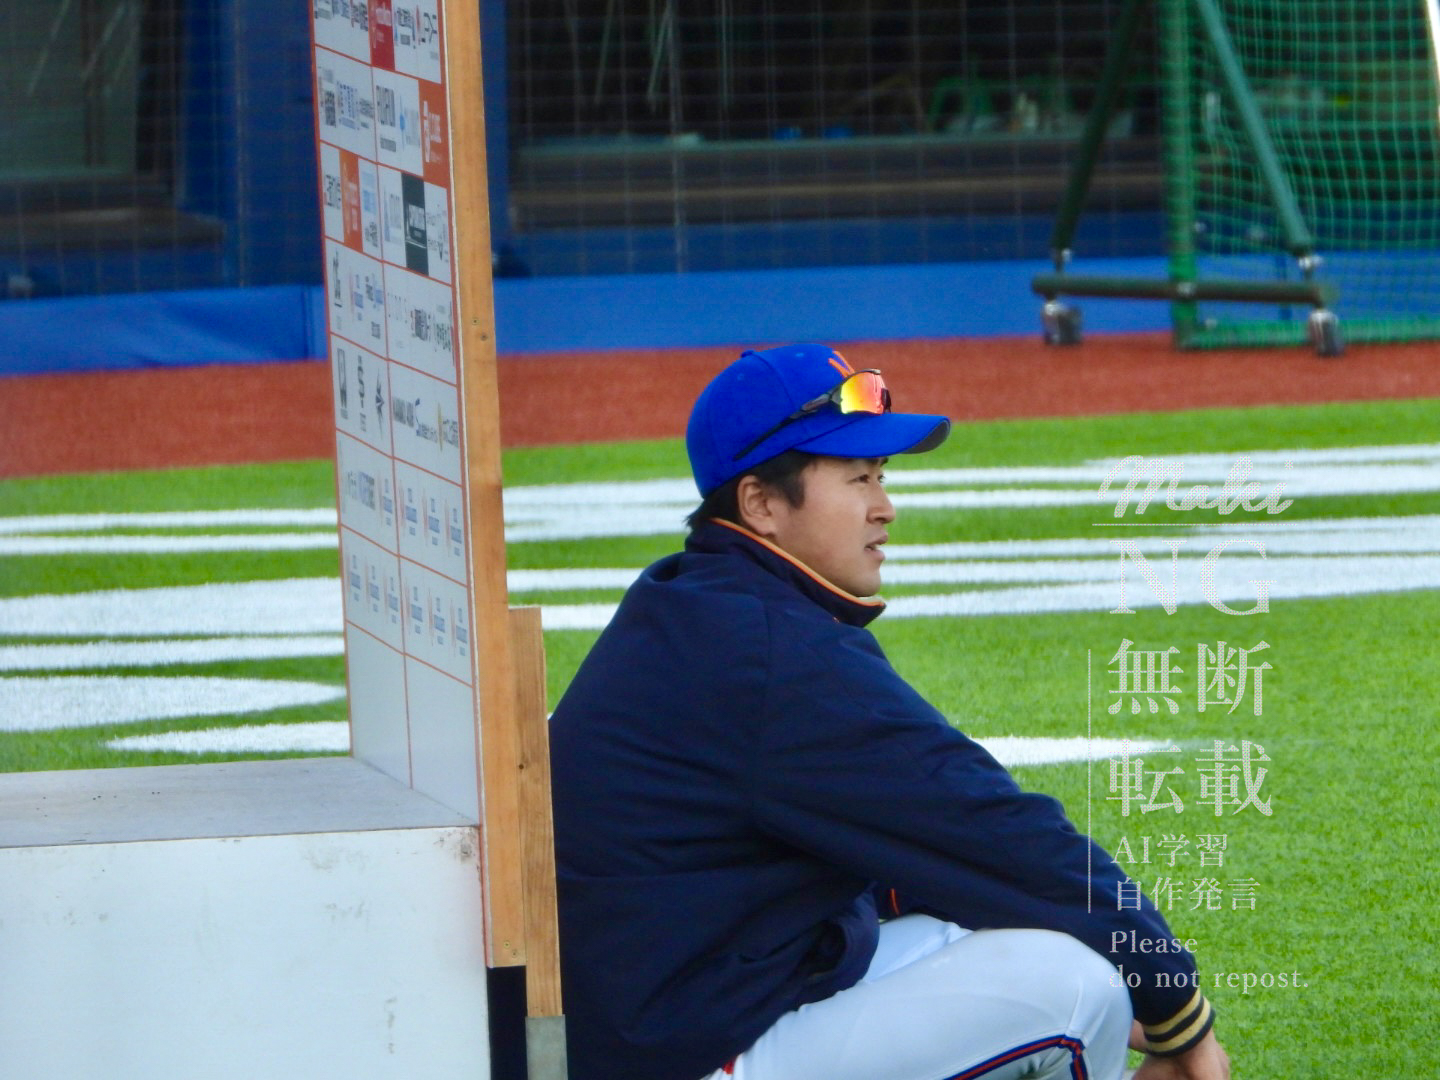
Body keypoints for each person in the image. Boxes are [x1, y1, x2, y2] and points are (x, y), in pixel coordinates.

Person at [548, 343, 1230, 1080]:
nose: (885, 507)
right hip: (680, 1051)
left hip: (681, 1002)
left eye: (881, 475)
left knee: (982, 927)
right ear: (762, 504)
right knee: (1077, 990)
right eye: (857, 478)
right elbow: (997, 832)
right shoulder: (767, 651)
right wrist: (1178, 1012)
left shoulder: (704, 606)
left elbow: (931, 845)